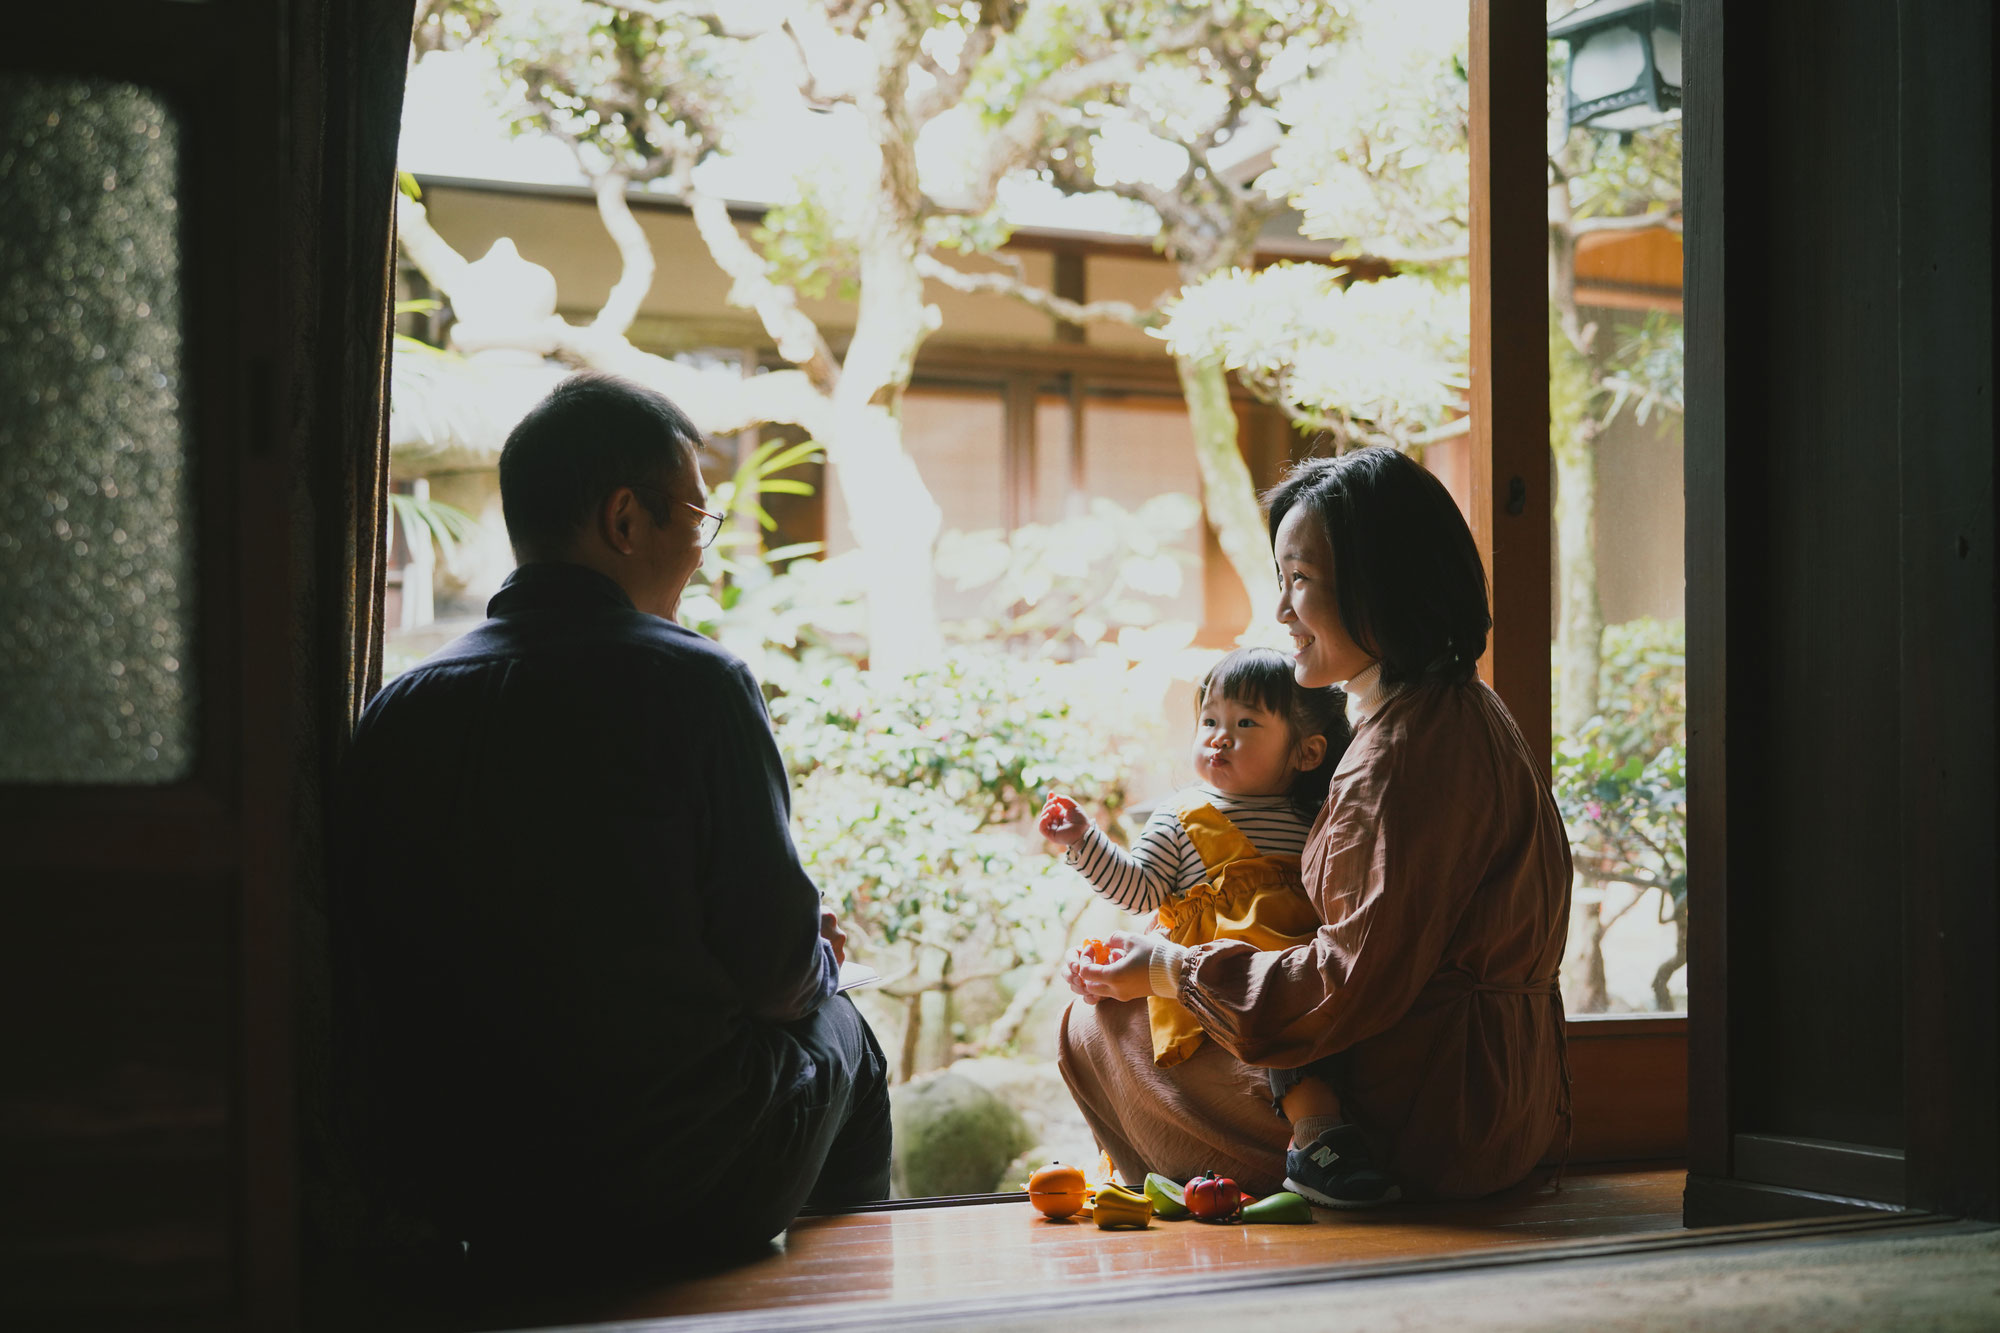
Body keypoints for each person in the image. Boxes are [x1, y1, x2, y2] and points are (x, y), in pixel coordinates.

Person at [330, 374, 890, 1271]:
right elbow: (777, 978)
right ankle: (848, 1303)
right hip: (679, 1179)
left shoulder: (403, 707)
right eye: (697, 520)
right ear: (626, 520)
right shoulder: (697, 683)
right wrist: (815, 953)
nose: (704, 551)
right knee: (847, 1035)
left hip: (466, 1190)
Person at [1057, 445, 1572, 1204]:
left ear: (1380, 587)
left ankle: (1291, 1180)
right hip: (1507, 1099)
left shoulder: (1393, 758)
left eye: (1301, 581)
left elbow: (1341, 983)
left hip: (1426, 1125)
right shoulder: (1464, 706)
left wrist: (1169, 967)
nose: (1281, 612)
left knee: (1092, 1022)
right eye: (1281, 580)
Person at [1037, 648, 1397, 1206]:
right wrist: (1084, 842)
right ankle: (1317, 1141)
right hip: (1216, 980)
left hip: (1291, 973)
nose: (1219, 737)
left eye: (1245, 723)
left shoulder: (1317, 819)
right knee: (1282, 1031)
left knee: (1303, 1014)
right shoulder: (1180, 816)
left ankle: (1323, 1144)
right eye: (1210, 720)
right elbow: (1139, 888)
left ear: (1307, 752)